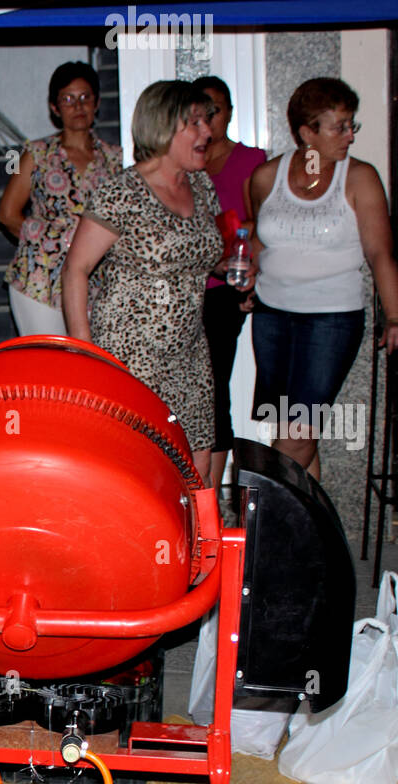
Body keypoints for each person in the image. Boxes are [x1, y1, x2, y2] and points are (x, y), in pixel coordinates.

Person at [62, 80, 249, 484]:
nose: (208, 133)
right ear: (165, 128)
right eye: (195, 123)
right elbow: (75, 268)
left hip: (191, 351)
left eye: (207, 121)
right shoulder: (122, 193)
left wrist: (234, 268)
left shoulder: (201, 186)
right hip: (131, 357)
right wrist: (85, 350)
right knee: (142, 469)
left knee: (198, 467)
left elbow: (209, 254)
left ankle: (191, 547)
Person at [246, 77, 398, 481]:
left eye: (351, 125)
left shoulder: (360, 179)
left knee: (299, 431)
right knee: (289, 428)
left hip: (331, 319)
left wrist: (395, 316)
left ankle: (260, 516)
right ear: (307, 132)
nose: (350, 135)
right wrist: (244, 275)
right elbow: (258, 239)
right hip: (272, 317)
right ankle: (308, 536)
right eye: (339, 126)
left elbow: (380, 253)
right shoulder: (267, 176)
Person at [0, 62, 123, 336]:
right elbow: (7, 214)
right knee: (46, 364)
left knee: (89, 366)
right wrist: (48, 241)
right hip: (40, 278)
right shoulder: (36, 153)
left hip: (94, 278)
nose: (78, 107)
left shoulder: (114, 159)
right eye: (68, 99)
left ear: (97, 103)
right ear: (55, 108)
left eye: (85, 98)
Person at [194, 75, 267, 492]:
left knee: (214, 382)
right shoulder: (188, 159)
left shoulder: (249, 159)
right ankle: (192, 488)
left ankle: (215, 493)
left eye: (216, 108)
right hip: (186, 289)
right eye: (201, 109)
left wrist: (249, 272)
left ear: (230, 113)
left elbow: (264, 222)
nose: (209, 117)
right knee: (192, 386)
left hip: (227, 290)